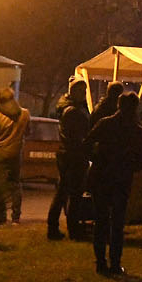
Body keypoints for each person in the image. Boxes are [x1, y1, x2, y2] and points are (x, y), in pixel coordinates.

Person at [85, 90, 142, 276]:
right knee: (118, 223)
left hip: (101, 177)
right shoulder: (137, 131)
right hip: (122, 179)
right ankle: (115, 262)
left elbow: (87, 143)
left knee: (101, 220)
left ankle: (100, 262)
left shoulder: (105, 124)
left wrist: (97, 158)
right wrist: (130, 166)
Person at [47, 80, 92, 241]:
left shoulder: (68, 108)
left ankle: (54, 227)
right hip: (74, 155)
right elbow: (79, 135)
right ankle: (73, 229)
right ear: (74, 92)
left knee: (63, 192)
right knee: (74, 193)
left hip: (67, 154)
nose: (84, 94)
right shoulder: (73, 111)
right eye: (82, 91)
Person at [0, 85, 29, 224]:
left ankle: (1, 215)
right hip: (15, 154)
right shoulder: (25, 114)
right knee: (15, 184)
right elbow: (28, 131)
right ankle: (16, 217)